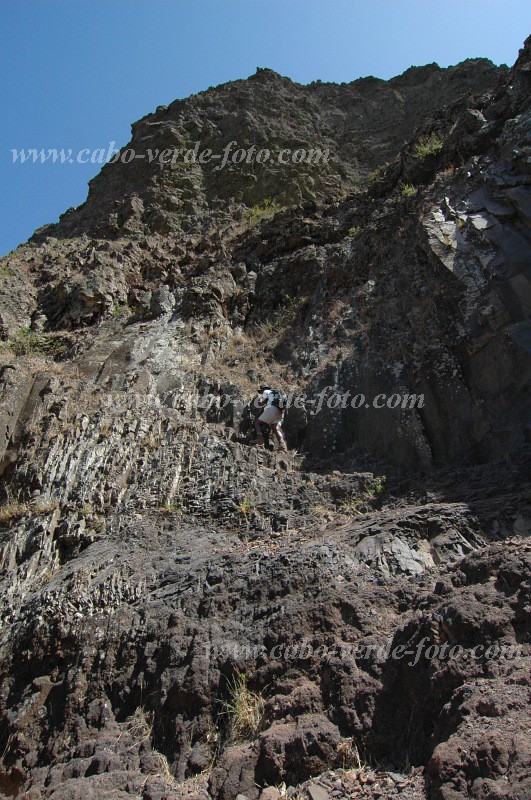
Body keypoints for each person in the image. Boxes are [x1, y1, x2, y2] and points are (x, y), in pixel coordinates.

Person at [249, 385, 288, 452]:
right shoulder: (275, 394)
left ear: (263, 389)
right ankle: (282, 445)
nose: (261, 393)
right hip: (280, 412)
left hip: (272, 409)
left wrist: (260, 410)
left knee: (257, 423)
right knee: (275, 428)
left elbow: (263, 402)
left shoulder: (266, 391)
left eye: (261, 391)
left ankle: (260, 438)